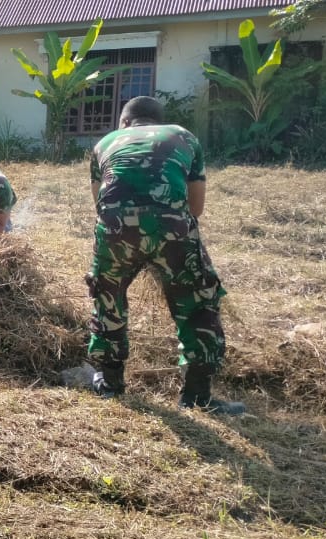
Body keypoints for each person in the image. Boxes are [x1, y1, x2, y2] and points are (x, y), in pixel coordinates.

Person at [85, 96, 243, 415]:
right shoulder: (184, 136)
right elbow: (195, 208)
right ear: (157, 121)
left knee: (108, 297)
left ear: (125, 122)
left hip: (115, 228)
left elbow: (101, 205)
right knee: (197, 302)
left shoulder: (105, 142)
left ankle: (109, 384)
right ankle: (196, 396)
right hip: (172, 226)